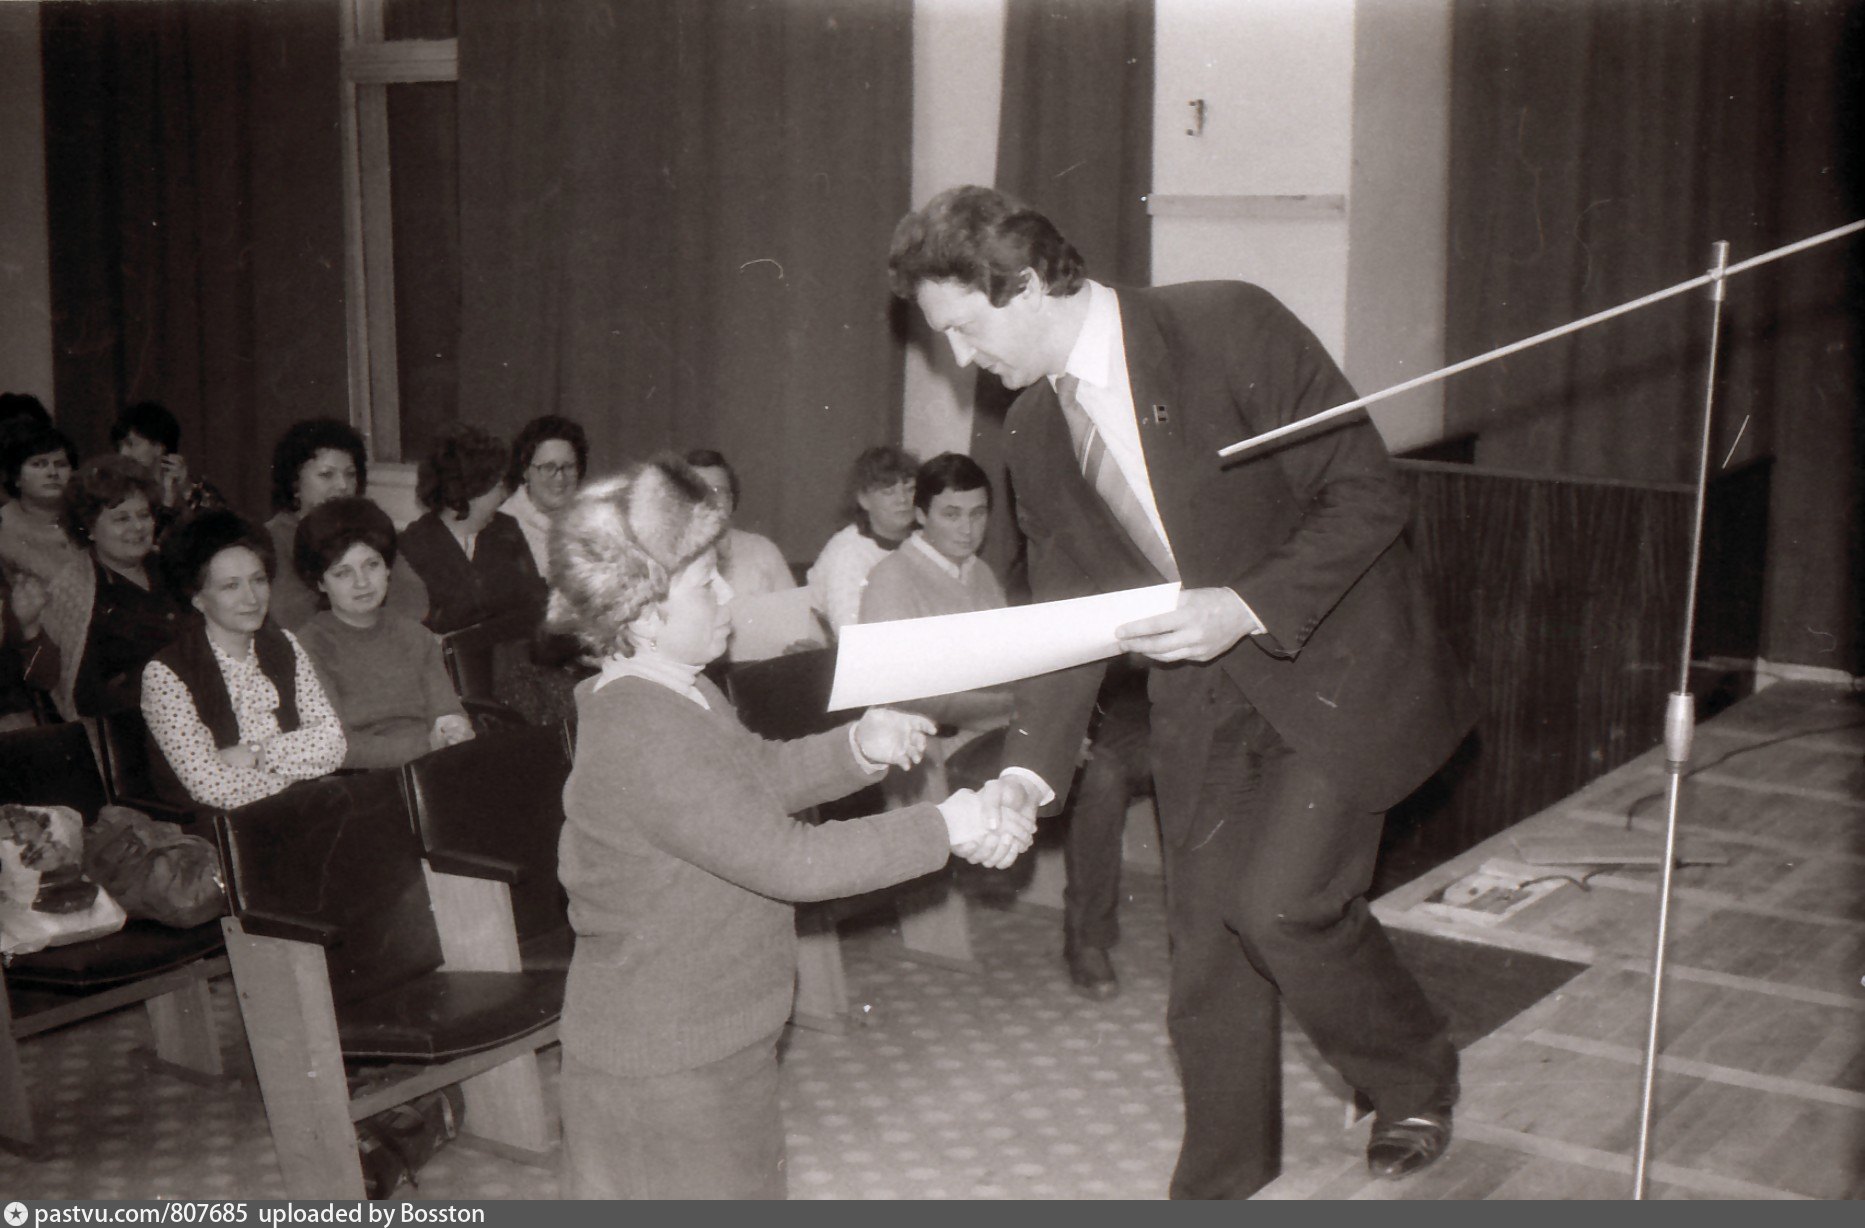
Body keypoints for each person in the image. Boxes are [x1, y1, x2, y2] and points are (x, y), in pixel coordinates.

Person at [889, 185, 1474, 1197]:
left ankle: (1414, 1075)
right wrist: (1027, 773)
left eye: (964, 328)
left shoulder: (1226, 325)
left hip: (1328, 667)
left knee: (1281, 909)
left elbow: (1366, 494)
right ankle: (1219, 1183)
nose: (957, 358)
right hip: (1202, 704)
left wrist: (1241, 606)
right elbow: (1067, 620)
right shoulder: (1033, 434)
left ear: (1024, 285)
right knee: (1204, 949)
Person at [546, 454, 1032, 1199]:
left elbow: (758, 777)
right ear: (641, 612)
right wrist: (945, 825)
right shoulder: (643, 728)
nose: (728, 595)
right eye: (705, 583)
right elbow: (791, 861)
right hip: (661, 1062)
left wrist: (857, 747)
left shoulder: (681, 692)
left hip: (713, 1032)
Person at [141, 510, 346, 811]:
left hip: (299, 810)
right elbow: (211, 786)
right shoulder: (166, 673)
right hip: (221, 827)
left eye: (258, 580)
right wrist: (295, 774)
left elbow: (333, 743)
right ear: (197, 598)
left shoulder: (284, 644)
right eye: (231, 586)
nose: (251, 598)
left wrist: (257, 754)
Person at [292, 497, 472, 769]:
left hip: (433, 766)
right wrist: (427, 747)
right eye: (343, 573)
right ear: (320, 582)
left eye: (372, 565)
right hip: (365, 778)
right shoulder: (310, 646)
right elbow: (336, 746)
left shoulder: (415, 635)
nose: (362, 582)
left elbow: (446, 710)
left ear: (388, 567)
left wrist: (455, 728)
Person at [40, 457, 184, 719]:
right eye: (121, 518)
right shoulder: (73, 589)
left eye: (144, 515)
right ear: (89, 528)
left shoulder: (171, 567)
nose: (137, 527)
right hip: (125, 723)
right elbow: (78, 693)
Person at [264, 418, 429, 631]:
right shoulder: (273, 538)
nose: (343, 485)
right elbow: (294, 616)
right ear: (294, 483)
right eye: (327, 475)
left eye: (350, 474)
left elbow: (415, 601)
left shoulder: (369, 528)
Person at [399, 423, 546, 637]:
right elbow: (410, 633)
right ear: (469, 489)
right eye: (498, 487)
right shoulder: (413, 547)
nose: (504, 496)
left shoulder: (506, 530)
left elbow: (535, 604)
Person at [805, 444, 918, 634]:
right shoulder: (848, 553)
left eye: (910, 489)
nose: (903, 500)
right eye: (888, 492)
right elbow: (849, 632)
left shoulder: (922, 541)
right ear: (864, 500)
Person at [683, 448, 794, 603]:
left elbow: (793, 613)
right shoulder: (666, 560)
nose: (709, 500)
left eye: (718, 491)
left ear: (731, 501)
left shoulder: (763, 551)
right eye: (697, 491)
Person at [110, 400, 229, 533]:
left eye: (131, 444)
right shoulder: (119, 490)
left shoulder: (192, 486)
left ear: (159, 446)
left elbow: (223, 527)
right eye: (119, 446)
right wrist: (167, 504)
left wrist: (187, 490)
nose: (123, 453)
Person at [503, 415, 589, 574]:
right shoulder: (502, 527)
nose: (560, 477)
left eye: (568, 467)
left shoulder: (591, 521)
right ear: (525, 471)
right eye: (549, 467)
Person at [0, 423, 82, 589]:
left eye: (61, 464)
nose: (52, 473)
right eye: (38, 464)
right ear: (16, 477)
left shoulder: (88, 520)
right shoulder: (3, 528)